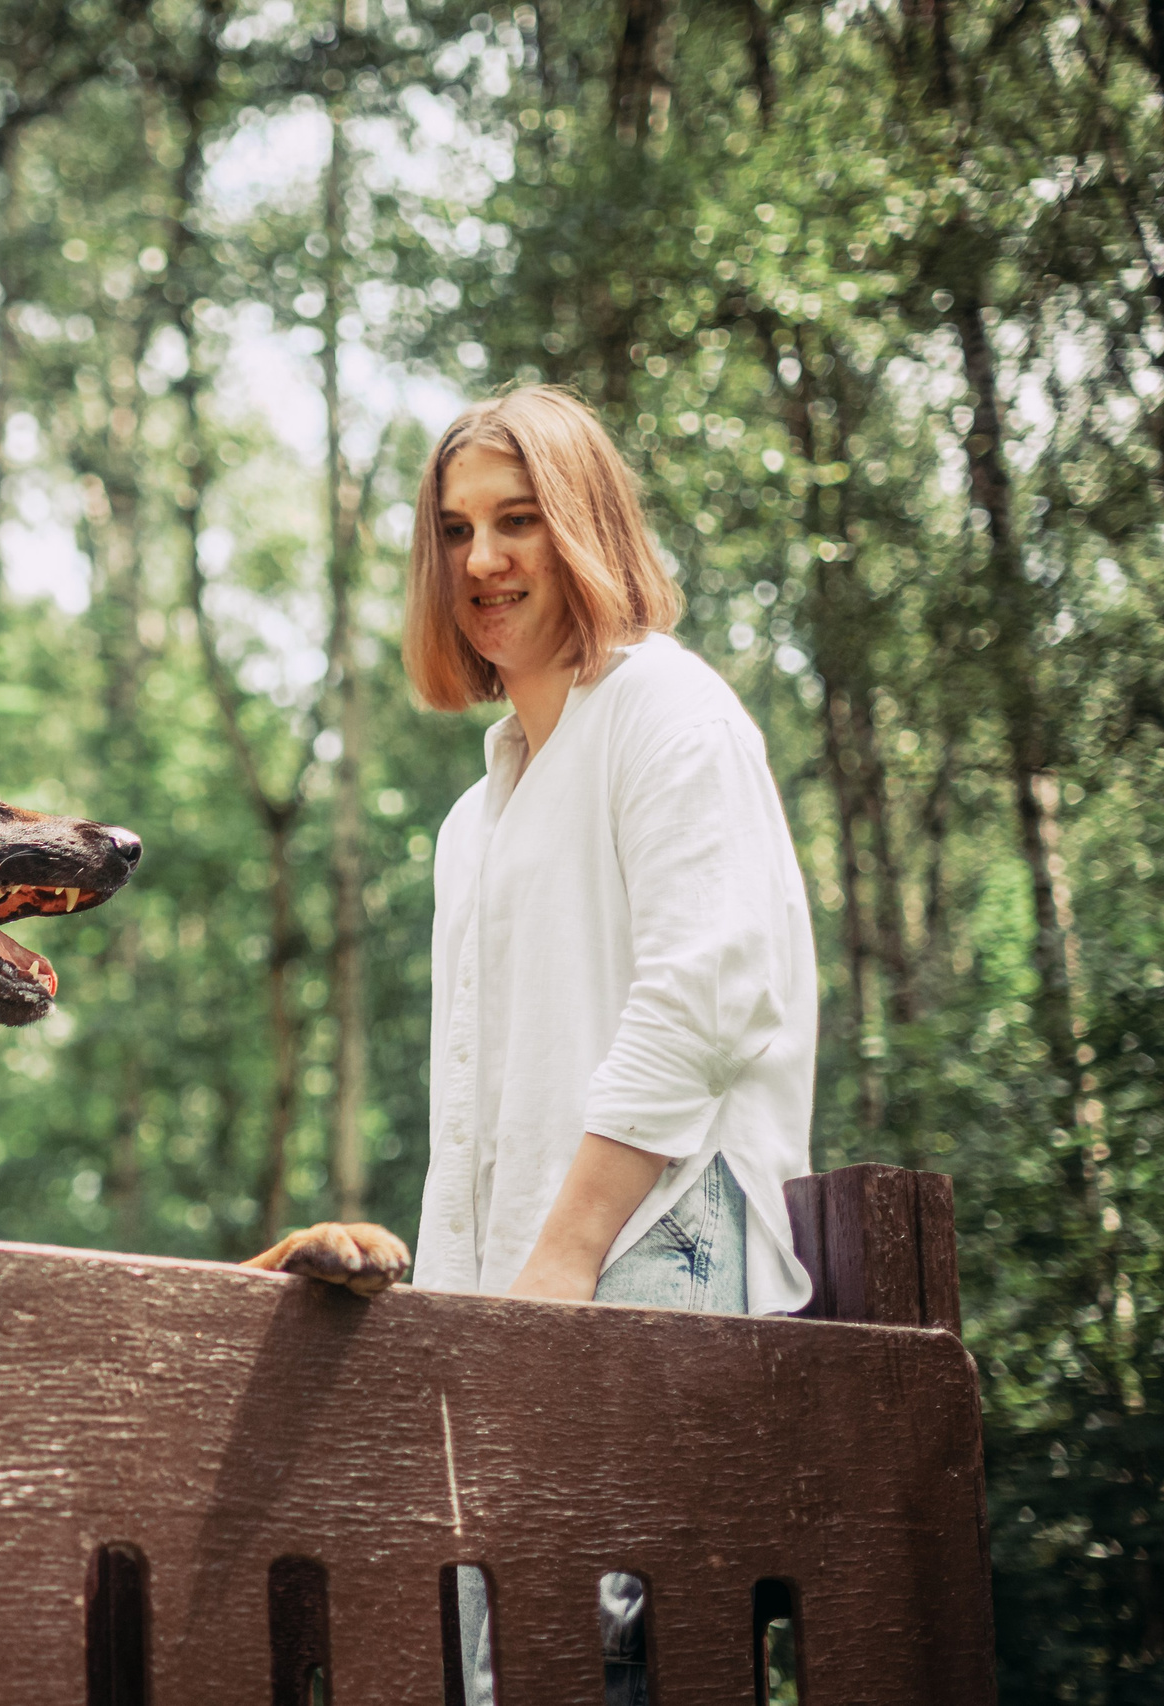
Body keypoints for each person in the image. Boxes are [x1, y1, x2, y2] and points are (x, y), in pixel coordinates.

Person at [406, 387, 817, 1704]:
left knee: (627, 1677)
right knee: (500, 1679)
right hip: (506, 1319)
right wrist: (457, 1321)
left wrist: (564, 1262)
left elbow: (701, 995)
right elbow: (468, 1114)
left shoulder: (668, 711)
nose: (483, 560)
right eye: (458, 528)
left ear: (582, 526)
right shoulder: (473, 816)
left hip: (652, 1271)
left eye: (517, 520)